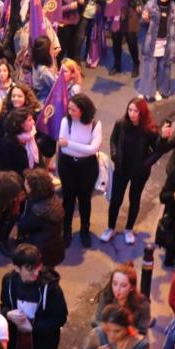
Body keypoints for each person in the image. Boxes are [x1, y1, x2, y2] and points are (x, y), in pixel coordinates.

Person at [0, 244, 67, 349]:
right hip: (16, 347)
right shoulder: (9, 281)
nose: (36, 273)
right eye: (30, 270)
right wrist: (8, 314)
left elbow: (60, 318)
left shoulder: (51, 288)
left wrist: (33, 328)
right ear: (17, 268)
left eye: (38, 267)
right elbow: (4, 305)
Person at [102, 98, 160, 244]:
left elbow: (157, 150)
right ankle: (110, 228)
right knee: (116, 199)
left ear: (142, 113)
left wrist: (146, 164)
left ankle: (129, 229)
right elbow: (113, 140)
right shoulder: (121, 124)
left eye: (136, 111)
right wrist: (115, 155)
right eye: (130, 110)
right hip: (122, 168)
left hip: (139, 172)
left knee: (135, 199)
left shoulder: (149, 130)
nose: (132, 114)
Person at [57, 93, 102, 248]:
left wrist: (69, 143)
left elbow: (93, 149)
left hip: (87, 168)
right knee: (68, 200)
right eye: (69, 109)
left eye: (73, 110)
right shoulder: (65, 121)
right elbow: (64, 149)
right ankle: (66, 230)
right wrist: (81, 148)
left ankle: (84, 230)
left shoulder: (95, 125)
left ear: (83, 110)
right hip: (67, 165)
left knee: (84, 200)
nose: (70, 112)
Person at [138, 0, 175, 101]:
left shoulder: (174, 7)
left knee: (163, 68)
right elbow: (142, 23)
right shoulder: (151, 4)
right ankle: (146, 90)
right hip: (152, 42)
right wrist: (145, 19)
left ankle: (158, 90)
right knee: (150, 67)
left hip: (166, 44)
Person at [17, 168, 65, 268]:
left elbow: (23, 226)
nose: (24, 186)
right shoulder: (52, 198)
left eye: (26, 184)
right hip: (55, 247)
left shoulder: (37, 211)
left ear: (33, 188)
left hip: (39, 251)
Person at [91, 264, 152, 336]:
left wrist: (128, 332)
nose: (117, 290)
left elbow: (142, 331)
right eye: (115, 283)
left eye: (123, 285)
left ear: (132, 287)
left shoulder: (142, 305)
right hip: (108, 337)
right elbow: (96, 321)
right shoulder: (106, 296)